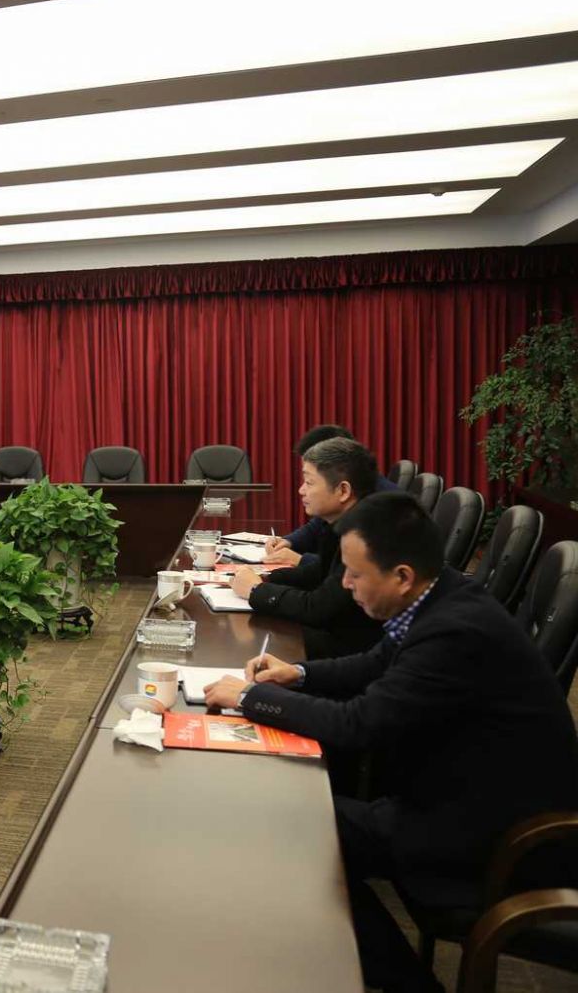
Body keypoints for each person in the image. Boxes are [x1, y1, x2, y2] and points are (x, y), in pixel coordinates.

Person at [205, 492, 578, 993]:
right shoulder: (442, 596)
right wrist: (298, 673)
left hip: (498, 837)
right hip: (463, 794)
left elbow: (360, 724)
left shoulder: (455, 630)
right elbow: (377, 663)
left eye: (355, 574)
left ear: (402, 576)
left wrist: (251, 698)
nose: (344, 583)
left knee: (298, 828)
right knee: (301, 819)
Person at [229, 436, 383, 657]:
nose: (301, 490)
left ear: (343, 491)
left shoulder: (365, 534)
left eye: (309, 483)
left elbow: (318, 608)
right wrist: (265, 577)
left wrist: (257, 590)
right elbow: (319, 572)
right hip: (335, 637)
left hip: (351, 650)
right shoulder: (340, 522)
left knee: (250, 643)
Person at [265, 423, 400, 568]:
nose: (301, 490)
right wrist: (290, 541)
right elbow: (318, 525)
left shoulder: (381, 511)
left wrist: (301, 560)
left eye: (309, 481)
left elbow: (353, 569)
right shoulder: (346, 504)